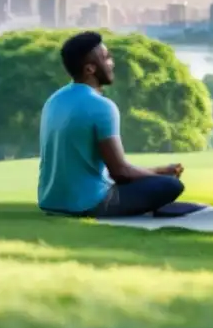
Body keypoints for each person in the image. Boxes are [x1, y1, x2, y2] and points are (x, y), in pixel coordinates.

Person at [38, 31, 185, 217]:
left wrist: (158, 170)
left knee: (158, 179)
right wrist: (160, 175)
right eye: (106, 58)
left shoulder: (54, 100)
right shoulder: (102, 107)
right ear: (90, 69)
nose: (111, 63)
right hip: (89, 204)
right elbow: (121, 172)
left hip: (51, 202)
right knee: (171, 185)